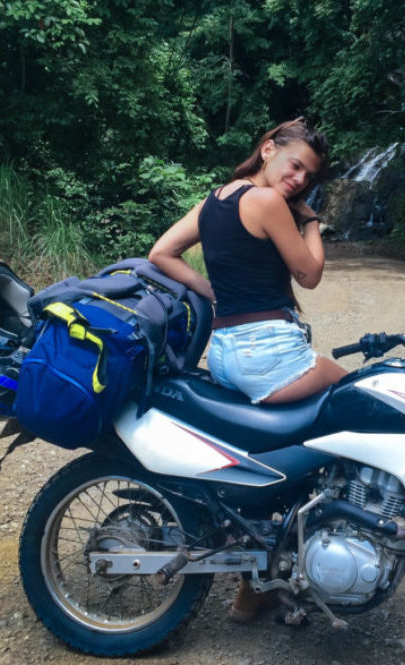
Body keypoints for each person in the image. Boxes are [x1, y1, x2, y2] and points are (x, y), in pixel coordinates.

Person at [148, 117, 349, 623]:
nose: (300, 179)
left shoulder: (216, 199)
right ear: (267, 150)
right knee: (352, 394)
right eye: (295, 164)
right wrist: (312, 222)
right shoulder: (266, 203)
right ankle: (333, 539)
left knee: (270, 457)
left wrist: (214, 295)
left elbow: (162, 253)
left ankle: (251, 589)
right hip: (267, 355)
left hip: (227, 353)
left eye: (309, 175)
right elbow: (310, 273)